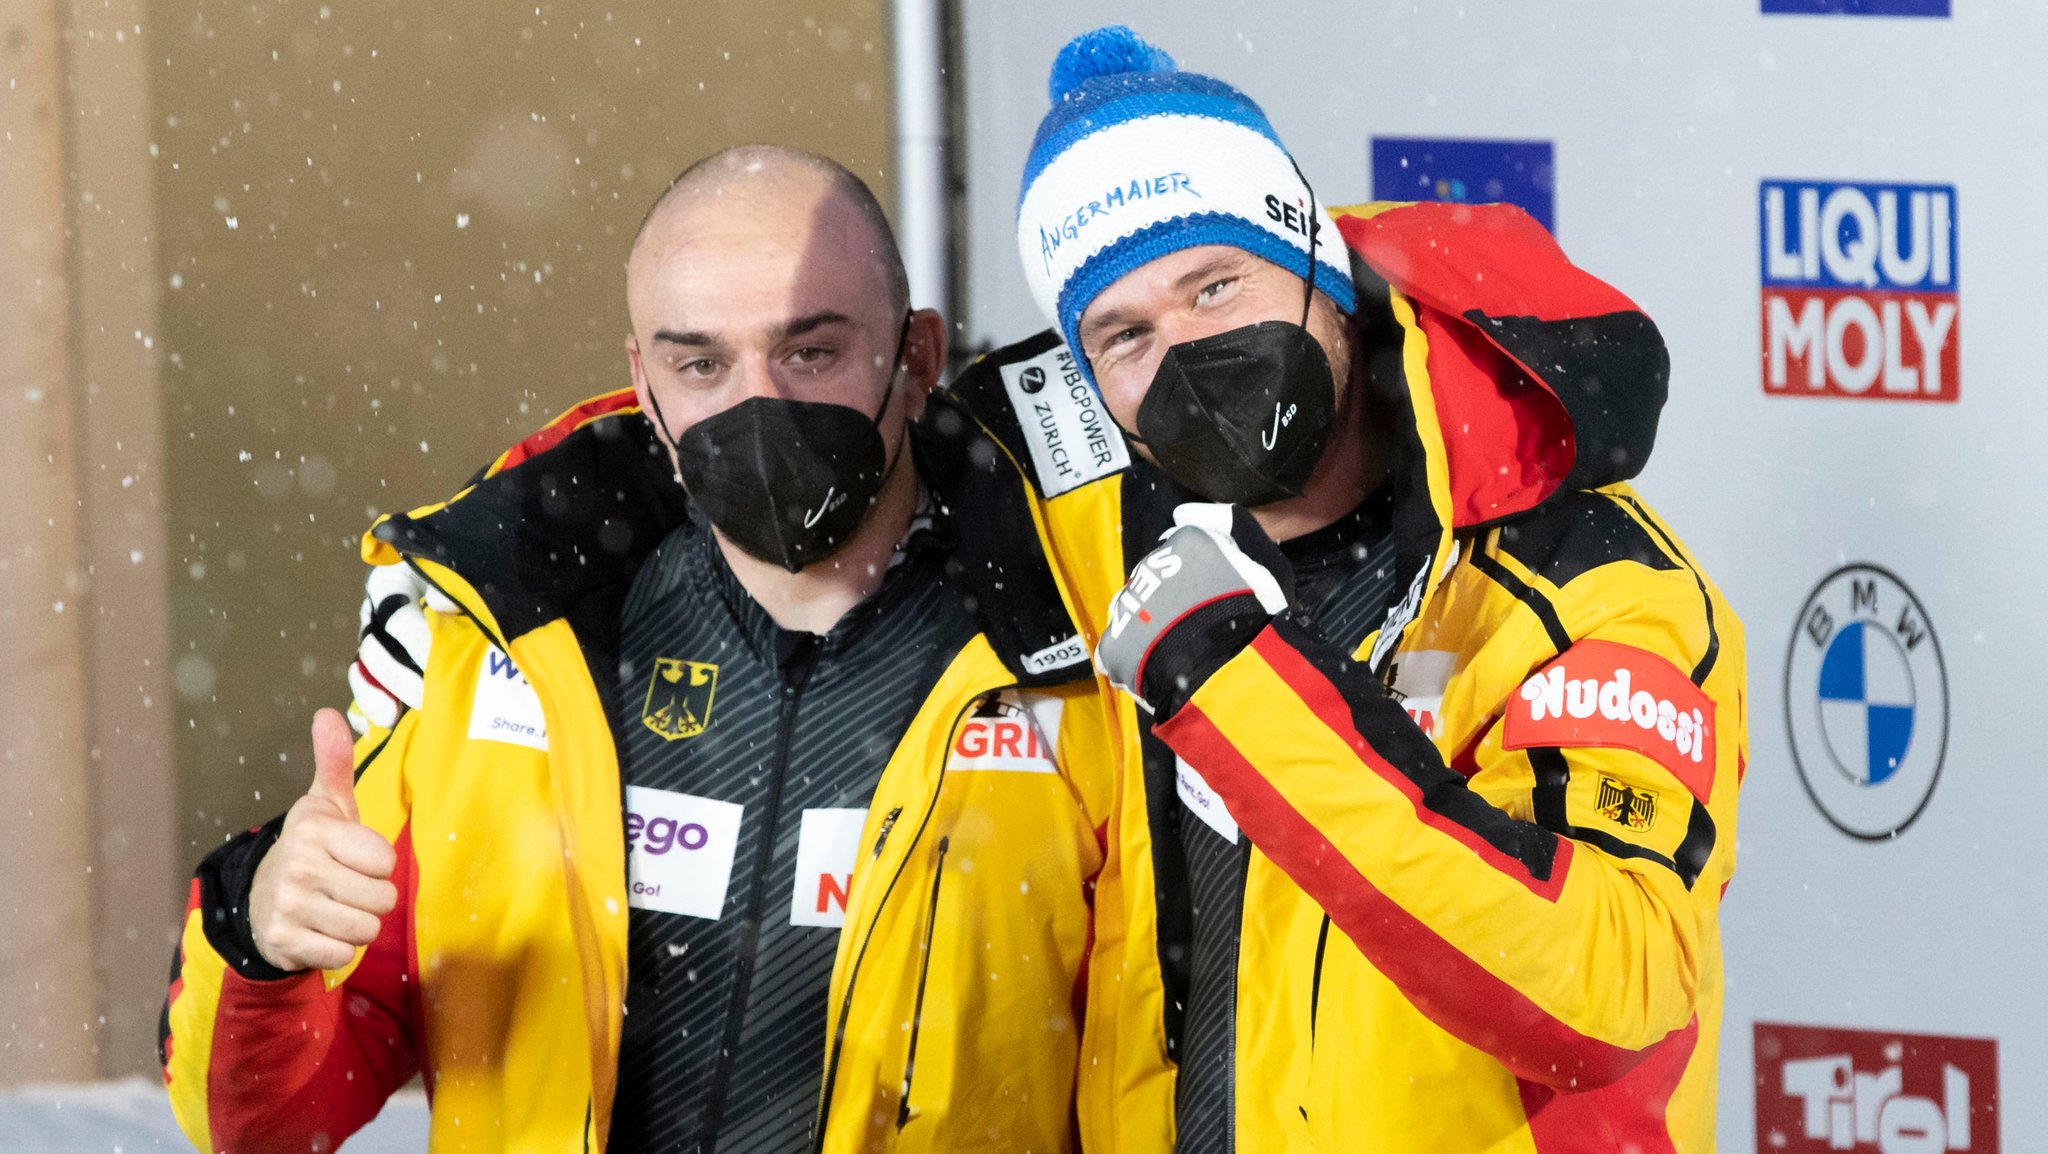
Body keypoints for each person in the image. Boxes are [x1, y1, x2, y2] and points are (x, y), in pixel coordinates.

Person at [158, 145, 1117, 1154]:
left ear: (916, 358)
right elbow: (259, 1123)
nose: (758, 406)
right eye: (701, 363)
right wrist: (259, 935)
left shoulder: (1075, 656)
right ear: (642, 381)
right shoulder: (504, 642)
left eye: (810, 351)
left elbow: (1163, 1072)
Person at [950, 25, 1748, 1152]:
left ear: (1320, 271)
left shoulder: (1590, 582)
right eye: (1123, 334)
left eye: (1217, 285)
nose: (1184, 354)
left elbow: (1606, 988)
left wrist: (1235, 679)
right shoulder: (1102, 551)